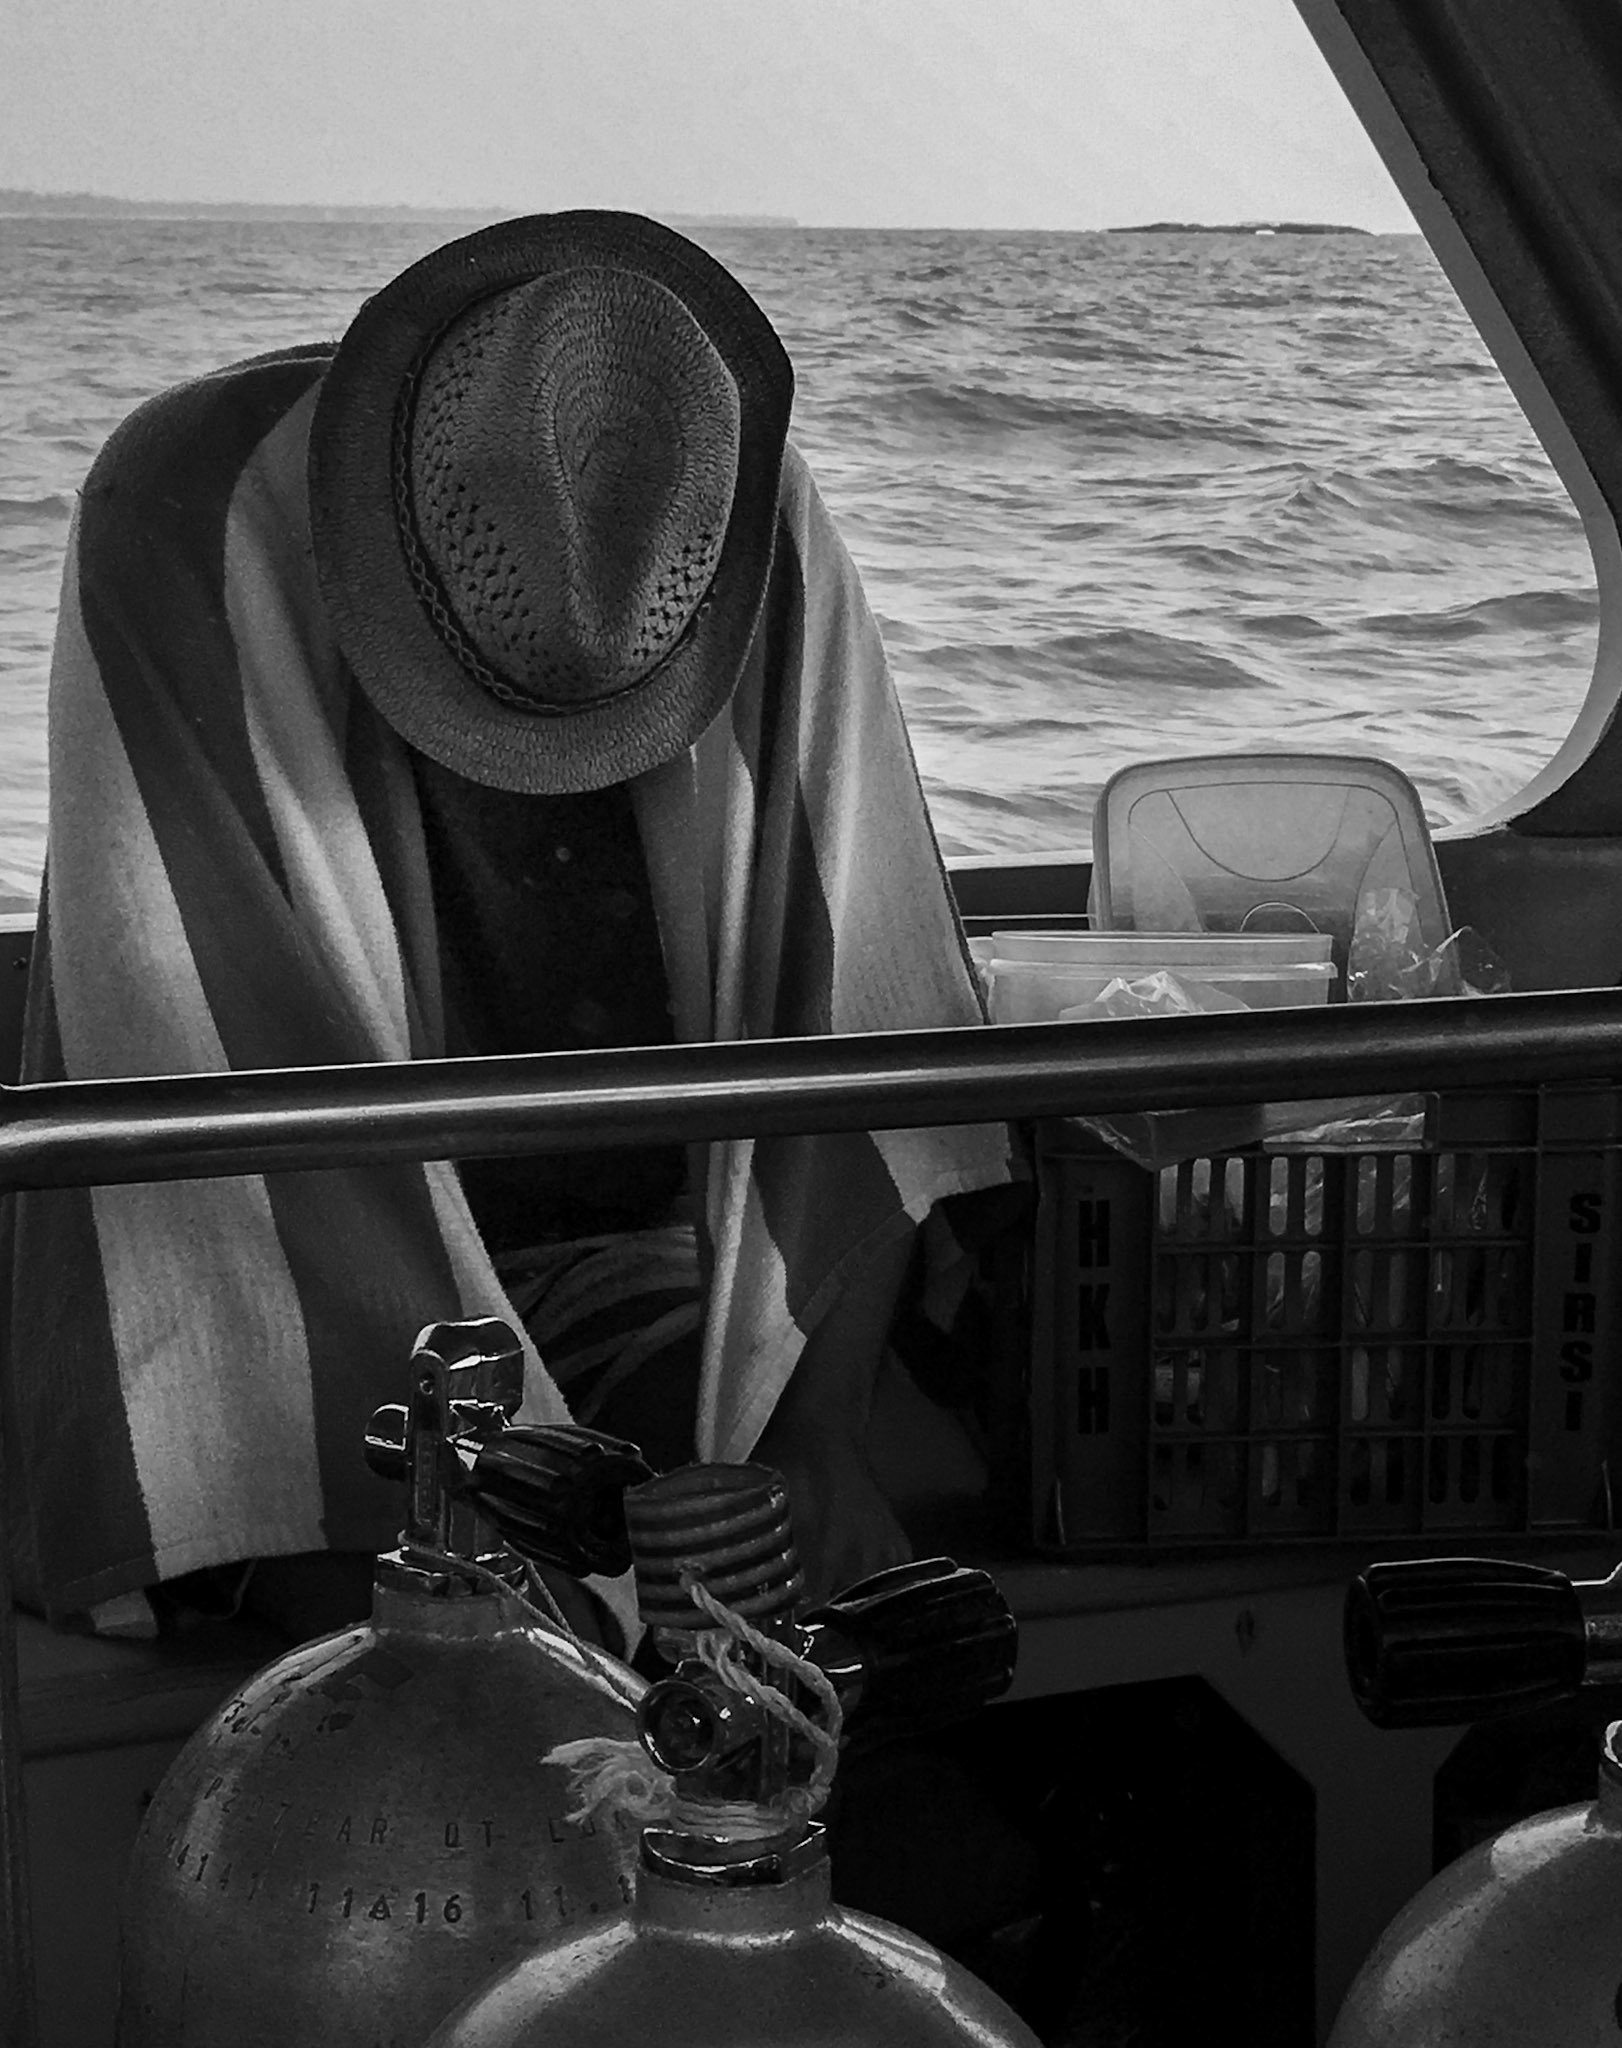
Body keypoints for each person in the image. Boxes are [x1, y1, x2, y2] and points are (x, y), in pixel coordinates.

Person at [4, 210, 1015, 1646]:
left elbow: (863, 1001)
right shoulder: (187, 508)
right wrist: (520, 1521)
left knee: (803, 1568)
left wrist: (809, 1439)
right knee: (417, 1617)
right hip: (276, 1271)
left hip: (630, 1252)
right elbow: (208, 1134)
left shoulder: (722, 507)